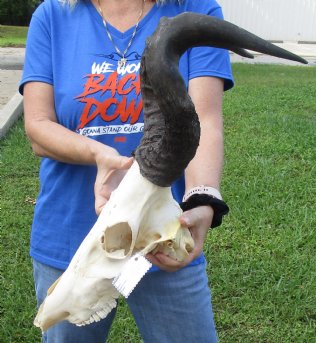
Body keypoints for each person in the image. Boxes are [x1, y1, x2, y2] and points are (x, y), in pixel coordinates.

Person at [20, 0, 233, 341]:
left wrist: (202, 198)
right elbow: (38, 125)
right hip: (72, 239)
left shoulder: (196, 10)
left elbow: (204, 119)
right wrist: (100, 155)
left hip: (162, 235)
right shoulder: (53, 15)